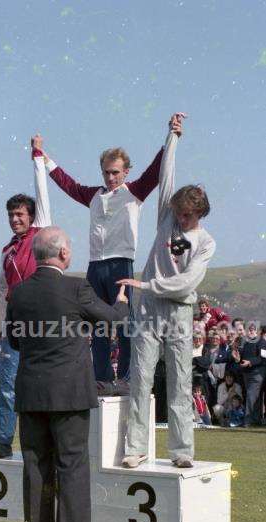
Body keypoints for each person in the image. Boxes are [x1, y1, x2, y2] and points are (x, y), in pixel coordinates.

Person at [6, 226, 128, 522]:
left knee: (35, 466)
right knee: (72, 465)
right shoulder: (77, 288)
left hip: (32, 392)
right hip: (69, 393)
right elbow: (113, 320)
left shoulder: (17, 294)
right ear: (63, 253)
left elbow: (16, 341)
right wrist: (122, 300)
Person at [37, 115, 183, 388]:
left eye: (116, 172)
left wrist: (171, 137)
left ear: (126, 172)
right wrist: (44, 158)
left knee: (125, 323)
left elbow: (156, 170)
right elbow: (68, 184)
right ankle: (102, 377)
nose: (111, 177)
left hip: (120, 264)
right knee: (97, 324)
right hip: (96, 266)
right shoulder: (92, 195)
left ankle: (127, 376)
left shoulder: (135, 192)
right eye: (106, 172)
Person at [118, 115, 216, 469]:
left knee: (180, 379)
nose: (181, 218)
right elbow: (166, 176)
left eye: (187, 215)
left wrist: (146, 285)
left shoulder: (205, 242)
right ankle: (136, 447)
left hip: (178, 309)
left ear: (199, 213)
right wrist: (172, 137)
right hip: (149, 310)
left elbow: (188, 283)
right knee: (140, 377)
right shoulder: (166, 217)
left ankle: (182, 451)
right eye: (178, 212)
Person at [0, 136, 51, 458]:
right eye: (11, 215)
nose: (15, 219)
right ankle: (3, 441)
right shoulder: (8, 250)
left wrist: (37, 157)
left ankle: (46, 443)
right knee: (7, 382)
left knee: (43, 384)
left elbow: (42, 196)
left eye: (20, 214)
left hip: (42, 320)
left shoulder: (40, 235)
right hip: (14, 323)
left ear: (31, 217)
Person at [231, 323, 266, 426]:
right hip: (246, 374)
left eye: (253, 329)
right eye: (249, 329)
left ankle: (247, 421)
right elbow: (239, 357)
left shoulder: (261, 342)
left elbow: (262, 358)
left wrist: (250, 362)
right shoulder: (244, 342)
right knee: (255, 397)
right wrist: (237, 359)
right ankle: (256, 419)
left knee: (251, 396)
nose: (251, 331)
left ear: (258, 332)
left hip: (257, 374)